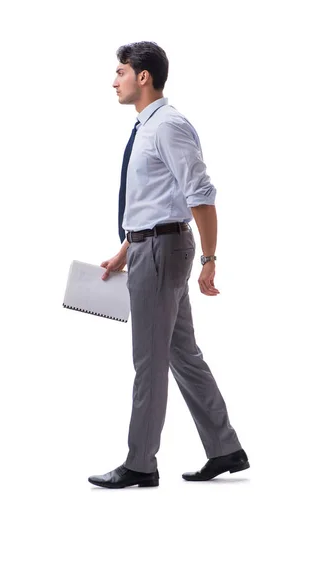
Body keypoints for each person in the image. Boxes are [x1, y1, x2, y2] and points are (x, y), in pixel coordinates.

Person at [88, 41, 249, 489]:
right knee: (181, 354)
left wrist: (211, 259)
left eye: (121, 71)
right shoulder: (147, 126)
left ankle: (140, 462)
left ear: (143, 76)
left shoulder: (168, 126)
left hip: (162, 252)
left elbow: (200, 194)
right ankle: (225, 447)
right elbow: (157, 198)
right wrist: (126, 247)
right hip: (150, 247)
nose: (114, 80)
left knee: (149, 361)